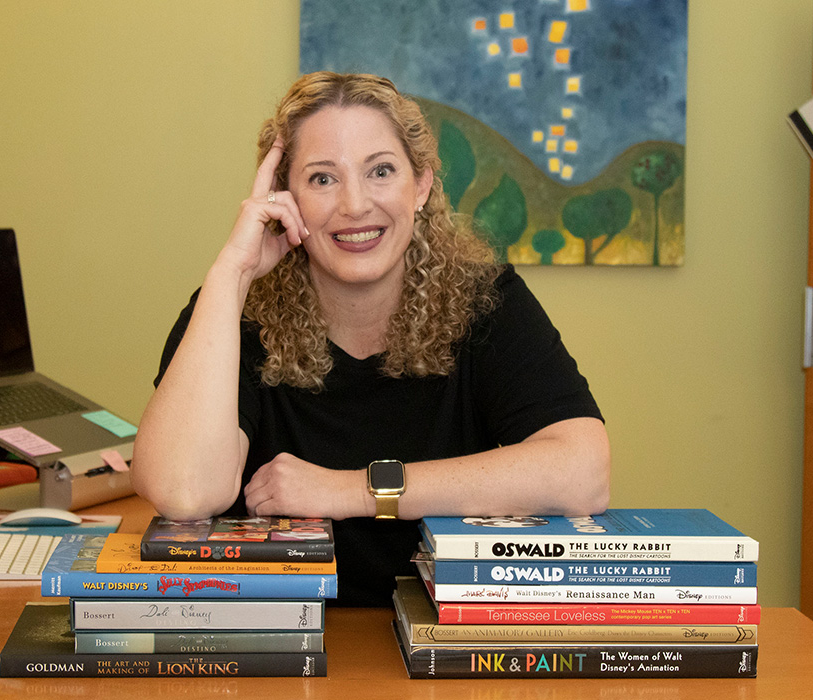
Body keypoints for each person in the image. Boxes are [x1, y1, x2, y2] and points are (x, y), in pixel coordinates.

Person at [133, 72, 610, 606]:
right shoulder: (233, 311)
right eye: (321, 179)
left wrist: (352, 489)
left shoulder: (486, 300)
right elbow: (183, 491)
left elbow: (583, 473)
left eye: (380, 171)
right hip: (279, 643)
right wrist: (233, 272)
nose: (355, 205)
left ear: (421, 185)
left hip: (444, 640)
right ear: (282, 198)